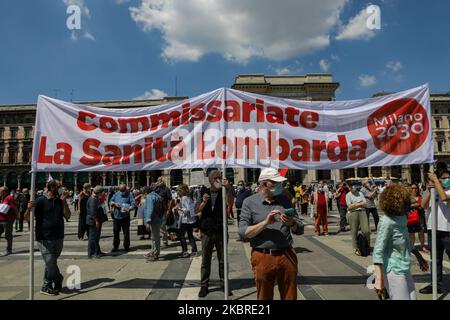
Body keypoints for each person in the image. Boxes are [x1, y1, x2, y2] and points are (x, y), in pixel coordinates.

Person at [239, 168, 304, 300]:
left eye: (279, 183)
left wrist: (292, 223)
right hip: (262, 256)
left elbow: (300, 229)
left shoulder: (285, 199)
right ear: (263, 184)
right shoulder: (249, 202)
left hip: (287, 254)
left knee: (290, 296)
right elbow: (243, 233)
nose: (279, 186)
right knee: (264, 296)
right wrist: (265, 223)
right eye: (275, 183)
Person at [373, 184, 429, 300]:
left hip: (404, 267)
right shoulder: (386, 222)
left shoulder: (402, 217)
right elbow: (377, 252)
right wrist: (379, 280)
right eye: (406, 202)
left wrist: (419, 257)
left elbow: (405, 241)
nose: (409, 205)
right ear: (397, 203)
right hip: (392, 269)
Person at [25, 180, 71, 296]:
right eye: (58, 187)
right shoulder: (40, 200)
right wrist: (29, 208)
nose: (61, 188)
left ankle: (48, 284)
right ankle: (56, 279)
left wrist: (64, 202)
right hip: (44, 236)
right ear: (52, 188)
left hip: (59, 235)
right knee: (50, 261)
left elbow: (68, 216)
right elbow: (27, 218)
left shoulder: (60, 201)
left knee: (50, 262)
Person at [195, 170, 234, 298]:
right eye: (216, 178)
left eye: (219, 177)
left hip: (220, 229)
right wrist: (204, 202)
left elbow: (230, 203)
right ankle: (204, 286)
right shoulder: (203, 191)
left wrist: (228, 188)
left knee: (223, 259)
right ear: (210, 180)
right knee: (205, 260)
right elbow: (197, 210)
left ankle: (224, 284)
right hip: (206, 231)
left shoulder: (224, 191)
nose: (218, 180)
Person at [419, 170, 450, 294]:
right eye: (444, 177)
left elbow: (444, 198)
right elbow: (423, 205)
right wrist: (431, 191)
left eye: (448, 177)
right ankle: (435, 285)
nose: (447, 179)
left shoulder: (448, 189)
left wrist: (437, 182)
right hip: (433, 230)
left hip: (448, 230)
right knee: (435, 259)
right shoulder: (432, 190)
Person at [109, 184, 136, 253]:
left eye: (123, 191)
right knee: (116, 232)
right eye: (120, 191)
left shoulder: (129, 194)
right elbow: (110, 201)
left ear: (125, 189)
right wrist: (114, 204)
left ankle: (126, 247)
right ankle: (115, 246)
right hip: (117, 217)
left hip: (125, 217)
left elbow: (133, 204)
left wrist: (129, 208)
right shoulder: (116, 194)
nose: (122, 192)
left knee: (126, 233)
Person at [175, 184, 198, 258]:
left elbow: (187, 209)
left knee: (181, 235)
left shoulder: (184, 198)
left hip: (186, 220)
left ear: (182, 191)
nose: (178, 192)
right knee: (190, 235)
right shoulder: (188, 197)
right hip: (190, 220)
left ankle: (185, 251)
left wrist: (179, 209)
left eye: (178, 190)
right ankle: (194, 251)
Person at [346, 184, 369, 256]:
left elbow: (365, 204)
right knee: (354, 231)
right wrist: (360, 203)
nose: (352, 188)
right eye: (351, 187)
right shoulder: (348, 195)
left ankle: (366, 246)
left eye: (353, 186)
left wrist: (355, 204)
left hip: (362, 212)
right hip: (353, 213)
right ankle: (356, 248)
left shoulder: (360, 193)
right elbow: (349, 207)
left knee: (366, 230)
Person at [86, 186, 107, 259]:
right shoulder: (93, 200)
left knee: (96, 237)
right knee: (92, 238)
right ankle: (91, 254)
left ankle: (97, 251)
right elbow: (93, 212)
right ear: (99, 193)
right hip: (93, 221)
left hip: (96, 220)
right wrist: (97, 221)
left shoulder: (96, 199)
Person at [144, 185, 163, 261]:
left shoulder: (149, 197)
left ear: (145, 192)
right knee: (155, 237)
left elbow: (150, 209)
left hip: (153, 219)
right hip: (158, 218)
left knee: (155, 238)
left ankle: (155, 253)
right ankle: (153, 251)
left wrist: (148, 221)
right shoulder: (156, 195)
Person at [408, 183, 428, 253]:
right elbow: (405, 206)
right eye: (412, 188)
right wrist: (414, 205)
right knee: (411, 233)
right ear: (410, 189)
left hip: (420, 217)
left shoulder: (420, 196)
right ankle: (412, 246)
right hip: (411, 217)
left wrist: (420, 205)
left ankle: (422, 246)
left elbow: (424, 205)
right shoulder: (408, 197)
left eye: (415, 188)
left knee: (421, 232)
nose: (414, 190)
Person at [154, 176, 172, 247]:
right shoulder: (156, 189)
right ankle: (157, 241)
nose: (158, 181)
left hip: (163, 210)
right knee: (155, 226)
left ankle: (164, 241)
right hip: (155, 210)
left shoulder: (166, 189)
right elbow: (150, 193)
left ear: (163, 181)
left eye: (160, 180)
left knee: (162, 226)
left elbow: (170, 199)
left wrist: (169, 209)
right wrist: (156, 186)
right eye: (158, 180)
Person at [0, 187, 19, 256]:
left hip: (7, 220)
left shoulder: (9, 198)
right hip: (1, 219)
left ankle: (9, 250)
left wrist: (17, 216)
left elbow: (15, 208)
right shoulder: (2, 198)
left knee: (7, 235)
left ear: (4, 191)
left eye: (0, 191)